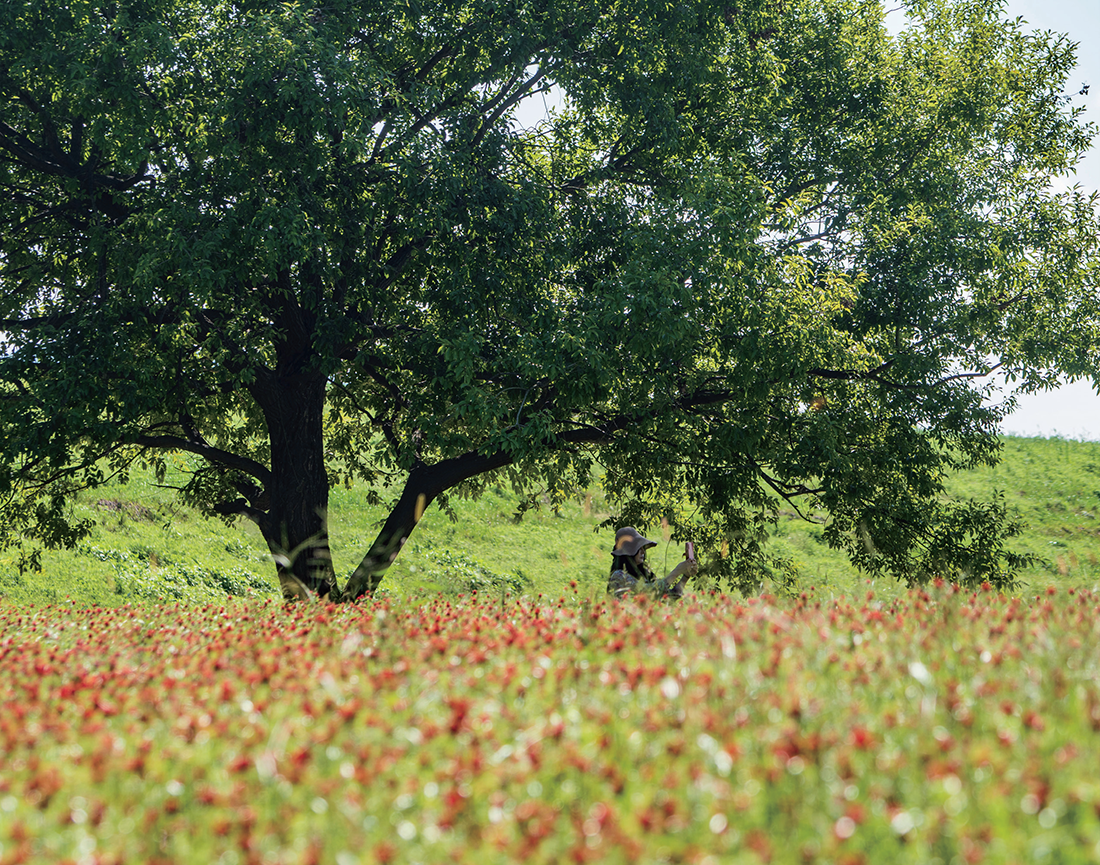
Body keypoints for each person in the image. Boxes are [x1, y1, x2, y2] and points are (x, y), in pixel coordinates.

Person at [607, 526, 697, 600]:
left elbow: (669, 597)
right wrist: (677, 571)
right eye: (639, 548)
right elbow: (650, 591)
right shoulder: (619, 576)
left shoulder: (644, 574)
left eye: (643, 548)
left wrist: (686, 575)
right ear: (629, 551)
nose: (643, 552)